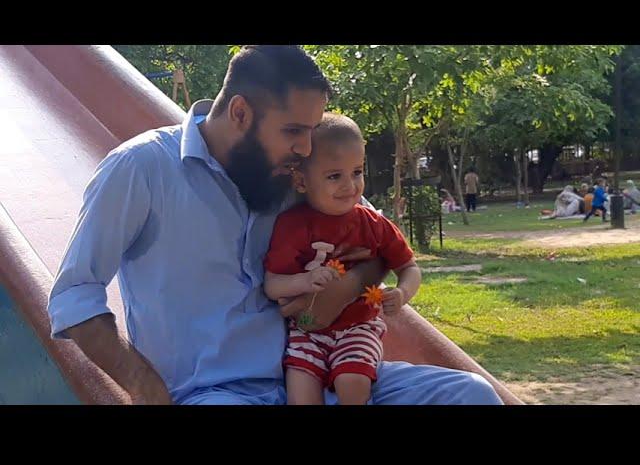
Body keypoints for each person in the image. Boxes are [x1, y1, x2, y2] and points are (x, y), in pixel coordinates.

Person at [47, 45, 502, 405]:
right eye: (293, 131)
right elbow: (73, 294)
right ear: (241, 113)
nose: (307, 148)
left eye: (311, 130)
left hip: (316, 374)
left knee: (470, 394)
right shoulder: (141, 169)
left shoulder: (295, 175)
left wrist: (344, 288)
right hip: (215, 394)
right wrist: (141, 383)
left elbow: (377, 239)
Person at [263, 113, 422, 405]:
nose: (350, 185)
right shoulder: (291, 225)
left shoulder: (374, 224)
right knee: (300, 391)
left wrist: (403, 293)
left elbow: (409, 267)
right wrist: (304, 280)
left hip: (358, 327)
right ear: (301, 181)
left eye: (357, 172)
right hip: (306, 330)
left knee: (352, 381)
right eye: (334, 176)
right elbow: (272, 285)